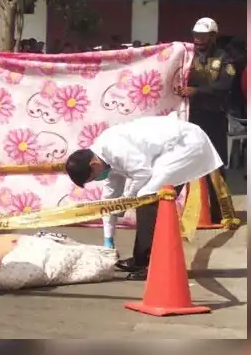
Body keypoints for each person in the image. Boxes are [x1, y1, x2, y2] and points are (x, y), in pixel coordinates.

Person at [65, 114, 224, 281]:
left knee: (148, 197)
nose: (98, 179)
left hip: (186, 144)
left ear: (94, 165)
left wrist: (127, 199)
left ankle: (149, 263)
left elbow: (143, 173)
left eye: (93, 177)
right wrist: (108, 239)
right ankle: (141, 259)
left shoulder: (115, 149)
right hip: (173, 148)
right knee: (146, 197)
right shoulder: (105, 159)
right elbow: (109, 201)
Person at [175, 17, 236, 223]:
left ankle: (221, 212)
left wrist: (197, 91)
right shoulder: (186, 55)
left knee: (215, 163)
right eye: (195, 35)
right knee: (183, 160)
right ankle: (174, 208)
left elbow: (224, 86)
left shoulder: (225, 58)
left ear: (213, 36)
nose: (198, 40)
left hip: (214, 117)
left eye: (202, 36)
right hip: (191, 117)